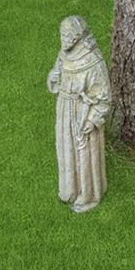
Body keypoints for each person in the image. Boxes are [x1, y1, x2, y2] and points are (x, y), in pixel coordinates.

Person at [46, 16, 110, 213]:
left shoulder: (93, 61)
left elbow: (104, 96)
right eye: (61, 34)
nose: (63, 38)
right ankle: (69, 189)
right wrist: (54, 76)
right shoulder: (65, 53)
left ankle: (88, 194)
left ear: (76, 36)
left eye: (67, 35)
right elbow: (57, 72)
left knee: (84, 153)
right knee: (66, 147)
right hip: (65, 108)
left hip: (83, 113)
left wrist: (93, 119)